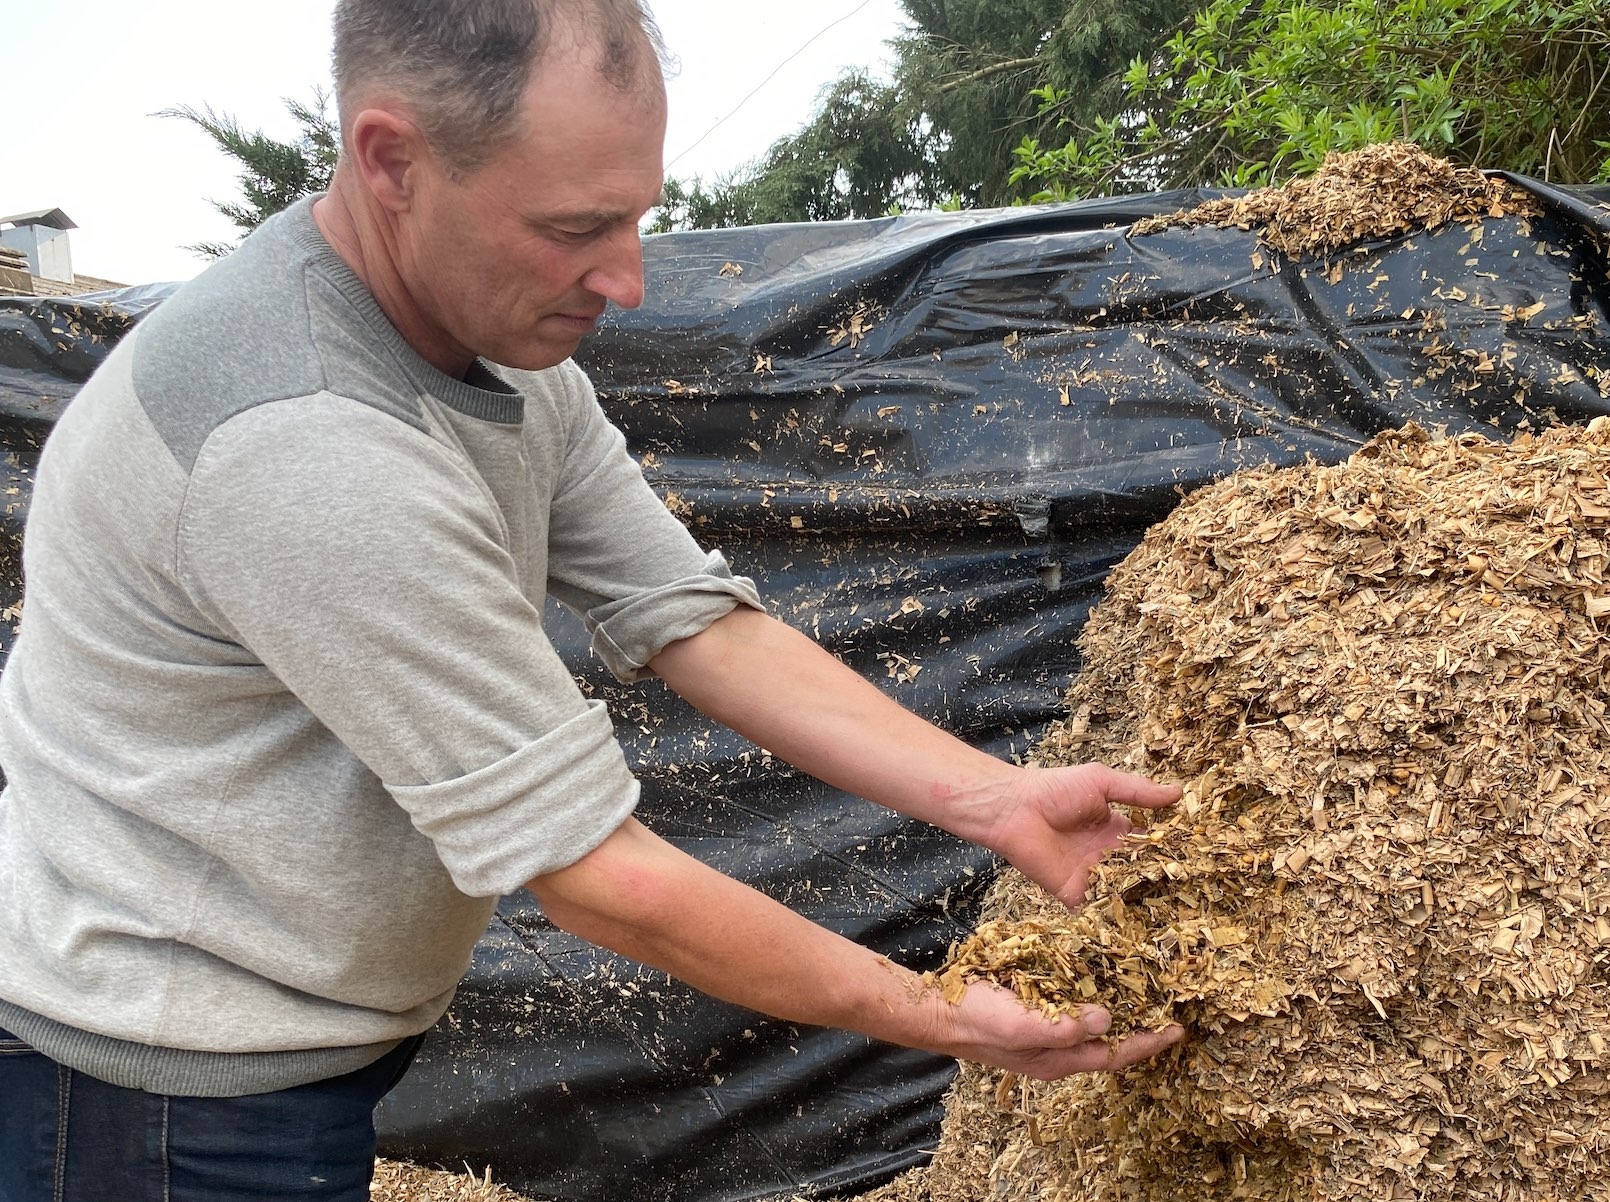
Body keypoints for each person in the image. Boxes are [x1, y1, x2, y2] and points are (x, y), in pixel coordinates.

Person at [0, 2, 1183, 1198]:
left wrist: (997, 797)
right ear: (390, 161)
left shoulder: (486, 332)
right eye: (574, 226)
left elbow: (686, 611)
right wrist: (943, 1014)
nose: (623, 278)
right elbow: (599, 874)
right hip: (154, 1086)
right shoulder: (302, 440)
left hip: (279, 1031)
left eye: (635, 215)